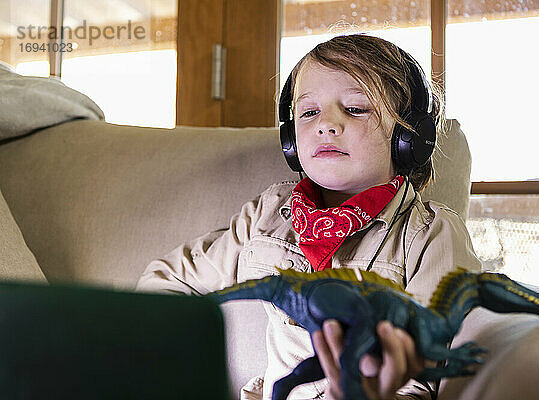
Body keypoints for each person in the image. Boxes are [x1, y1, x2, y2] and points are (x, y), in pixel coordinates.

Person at [136, 33, 482, 400]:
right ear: (290, 140)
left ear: (409, 138)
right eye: (309, 111)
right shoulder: (269, 216)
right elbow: (167, 281)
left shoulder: (430, 236)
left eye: (355, 108)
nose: (326, 124)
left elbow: (427, 381)